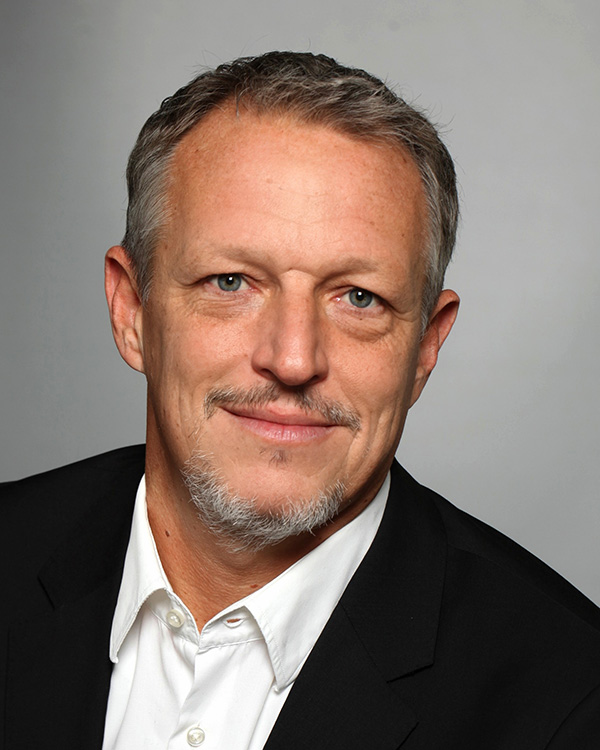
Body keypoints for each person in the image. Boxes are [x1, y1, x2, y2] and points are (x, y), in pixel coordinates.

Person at [1, 51, 599, 750]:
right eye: (231, 282)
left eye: (358, 298)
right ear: (131, 311)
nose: (292, 360)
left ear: (425, 348)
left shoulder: (569, 701)